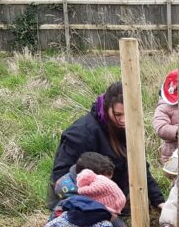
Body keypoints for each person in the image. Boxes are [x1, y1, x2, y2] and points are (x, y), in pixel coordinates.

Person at [50, 82, 164, 210]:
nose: (124, 120)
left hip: (114, 200)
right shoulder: (81, 133)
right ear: (106, 107)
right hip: (81, 203)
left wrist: (158, 201)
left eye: (128, 113)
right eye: (118, 114)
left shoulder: (128, 128)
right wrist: (86, 207)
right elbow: (60, 176)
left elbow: (139, 166)